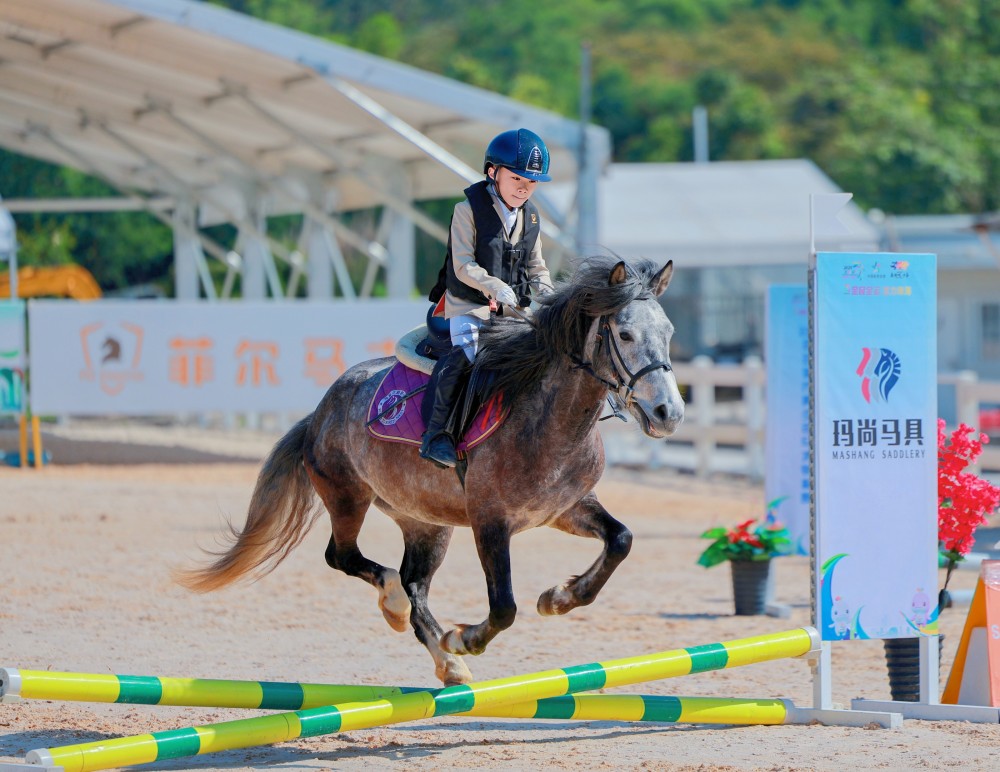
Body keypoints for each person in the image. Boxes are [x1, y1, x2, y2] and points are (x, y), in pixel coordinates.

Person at [419, 128, 554, 468]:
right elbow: (463, 265)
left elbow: (537, 266)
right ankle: (438, 435)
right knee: (467, 356)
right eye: (517, 178)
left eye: (532, 182)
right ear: (493, 172)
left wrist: (548, 292)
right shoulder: (467, 210)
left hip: (511, 309)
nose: (524, 187)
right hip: (469, 304)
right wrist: (494, 286)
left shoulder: (531, 217)